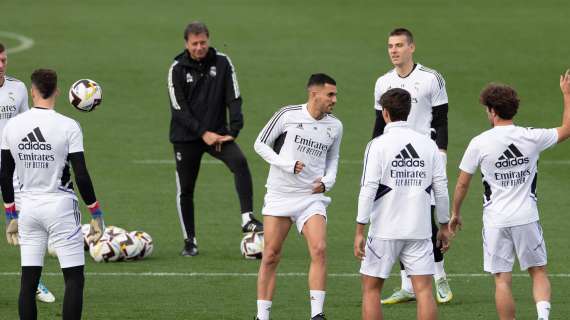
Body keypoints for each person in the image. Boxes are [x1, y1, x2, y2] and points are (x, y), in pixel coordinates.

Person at [449, 71, 570, 320]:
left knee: (502, 280)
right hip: (527, 216)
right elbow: (567, 129)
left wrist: (455, 213)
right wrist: (567, 95)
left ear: (493, 111)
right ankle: (543, 317)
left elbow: (462, 184)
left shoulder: (479, 142)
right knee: (538, 272)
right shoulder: (531, 136)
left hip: (495, 221)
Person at [0, 68, 106, 320]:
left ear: (32, 91)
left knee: (28, 280)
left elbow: (4, 174)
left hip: (28, 210)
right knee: (74, 279)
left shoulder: (13, 126)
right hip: (60, 209)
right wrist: (96, 212)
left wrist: (10, 215)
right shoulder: (69, 126)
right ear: (58, 91)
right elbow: (81, 174)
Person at [372, 28, 453, 304]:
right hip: (395, 161)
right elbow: (378, 125)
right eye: (389, 46)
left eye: (398, 45)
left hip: (425, 158)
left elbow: (441, 120)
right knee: (400, 217)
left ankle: (440, 276)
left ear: (411, 48)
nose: (393, 50)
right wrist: (375, 156)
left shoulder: (431, 78)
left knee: (426, 219)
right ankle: (407, 285)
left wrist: (441, 153)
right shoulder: (383, 82)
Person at [167, 21, 262, 256]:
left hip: (218, 134)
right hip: (186, 138)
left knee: (239, 162)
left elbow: (234, 96)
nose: (199, 47)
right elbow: (179, 109)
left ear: (208, 40)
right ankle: (190, 241)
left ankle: (247, 218)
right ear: (186, 44)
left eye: (203, 42)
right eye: (194, 44)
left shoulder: (222, 61)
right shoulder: (177, 69)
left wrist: (234, 129)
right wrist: (203, 133)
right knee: (186, 190)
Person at [355, 88, 450, 320]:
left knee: (371, 289)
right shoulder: (428, 145)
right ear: (408, 111)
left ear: (385, 113)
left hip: (384, 230)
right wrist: (445, 225)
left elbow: (368, 190)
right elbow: (441, 189)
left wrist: (359, 229)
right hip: (419, 230)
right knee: (425, 290)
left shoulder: (377, 145)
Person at [253, 74, 342, 320]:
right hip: (280, 194)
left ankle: (317, 315)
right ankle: (262, 316)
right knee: (270, 255)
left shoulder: (335, 126)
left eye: (335, 95)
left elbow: (333, 158)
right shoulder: (287, 115)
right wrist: (287, 164)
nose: (335, 100)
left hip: (310, 198)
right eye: (330, 95)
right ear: (315, 94)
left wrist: (327, 181)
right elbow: (260, 144)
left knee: (320, 249)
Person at [0, 43, 55, 304]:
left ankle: (33, 283)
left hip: (13, 168)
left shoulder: (18, 88)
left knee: (26, 225)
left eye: (3, 59)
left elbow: (28, 123)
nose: (1, 65)